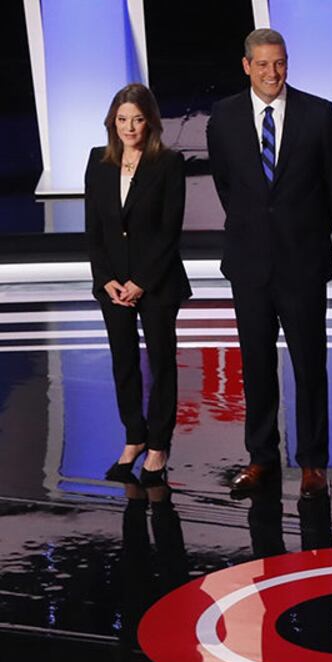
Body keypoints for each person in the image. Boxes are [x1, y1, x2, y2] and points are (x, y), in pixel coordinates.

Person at [206, 27, 332, 498]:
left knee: (310, 366)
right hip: (249, 264)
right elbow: (227, 185)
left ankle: (313, 462)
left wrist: (304, 229)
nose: (273, 73)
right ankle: (261, 457)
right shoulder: (224, 117)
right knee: (257, 364)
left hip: (303, 262)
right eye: (264, 64)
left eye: (281, 63)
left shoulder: (320, 115)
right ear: (246, 65)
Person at [85, 83, 191, 487]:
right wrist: (107, 279)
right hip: (112, 285)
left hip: (156, 283)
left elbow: (169, 231)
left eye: (138, 119)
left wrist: (141, 282)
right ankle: (134, 437)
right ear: (113, 120)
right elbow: (93, 228)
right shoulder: (99, 161)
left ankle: (159, 444)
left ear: (151, 122)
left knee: (162, 364)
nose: (129, 127)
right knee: (123, 362)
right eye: (123, 119)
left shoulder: (168, 163)